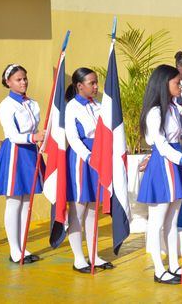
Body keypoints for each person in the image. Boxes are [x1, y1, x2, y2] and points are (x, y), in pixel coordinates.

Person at [137, 65, 182, 284]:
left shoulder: (173, 107)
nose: (181, 86)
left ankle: (174, 265)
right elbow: (161, 145)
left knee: (172, 221)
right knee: (157, 221)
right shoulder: (155, 112)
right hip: (164, 166)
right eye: (176, 83)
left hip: (175, 164)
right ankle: (158, 269)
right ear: (164, 85)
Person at [0, 64, 45, 264]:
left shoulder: (33, 104)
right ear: (8, 82)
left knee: (27, 202)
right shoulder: (6, 106)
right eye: (18, 80)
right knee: (14, 202)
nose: (23, 82)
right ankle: (14, 249)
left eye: (24, 78)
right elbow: (13, 135)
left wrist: (40, 139)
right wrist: (35, 136)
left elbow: (34, 130)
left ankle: (23, 246)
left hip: (30, 153)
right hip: (14, 155)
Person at [64, 67, 113, 273]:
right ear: (79, 86)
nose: (95, 86)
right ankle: (78, 258)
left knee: (93, 209)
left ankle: (94, 254)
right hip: (81, 160)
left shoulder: (99, 105)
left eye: (96, 82)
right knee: (78, 210)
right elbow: (73, 138)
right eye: (91, 83)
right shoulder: (72, 107)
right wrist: (89, 157)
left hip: (98, 159)